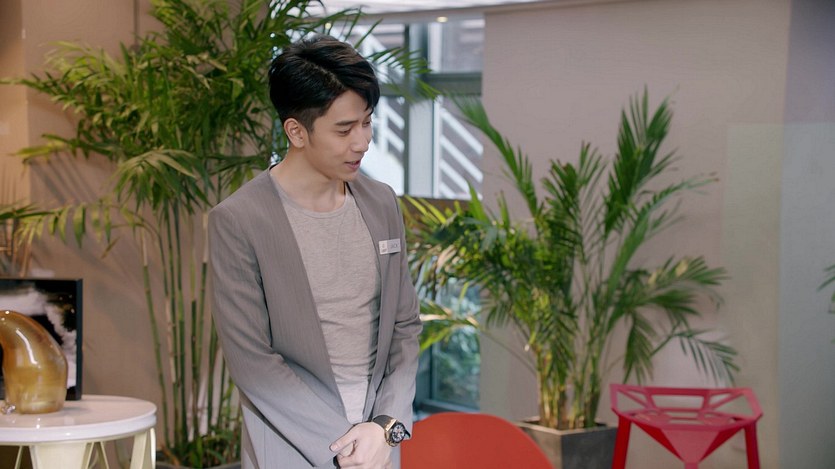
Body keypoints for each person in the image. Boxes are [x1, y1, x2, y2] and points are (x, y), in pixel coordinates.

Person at [208, 34, 422, 469]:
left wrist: (384, 426)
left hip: (379, 445)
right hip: (293, 446)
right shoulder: (239, 220)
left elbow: (404, 326)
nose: (362, 142)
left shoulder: (381, 202)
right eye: (344, 129)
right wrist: (346, 446)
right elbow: (253, 362)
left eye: (367, 123)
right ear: (296, 132)